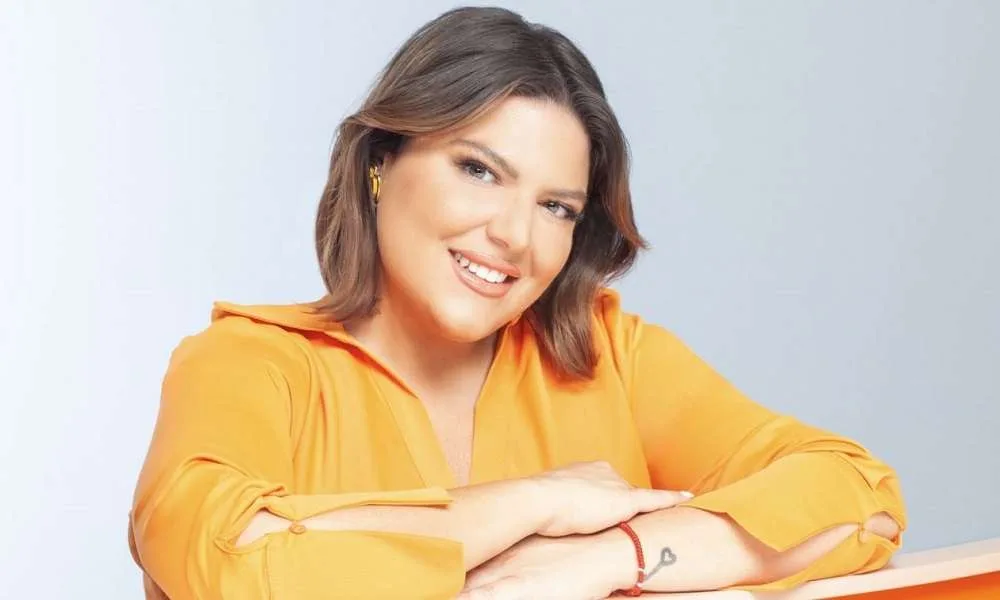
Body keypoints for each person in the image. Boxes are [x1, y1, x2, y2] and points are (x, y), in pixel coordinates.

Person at [128, 6, 905, 599]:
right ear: (380, 162)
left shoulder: (610, 358)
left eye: (556, 208)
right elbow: (216, 556)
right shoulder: (250, 364)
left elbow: (858, 500)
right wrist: (533, 504)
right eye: (479, 170)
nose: (514, 236)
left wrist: (611, 557)